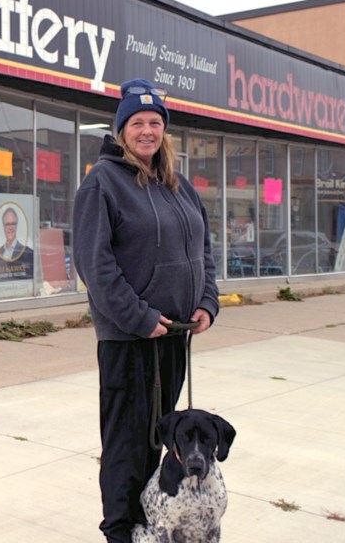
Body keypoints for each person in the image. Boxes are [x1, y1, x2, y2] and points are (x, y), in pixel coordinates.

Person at [72, 78, 219, 543]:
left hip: (174, 338)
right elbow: (95, 265)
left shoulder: (178, 186)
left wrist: (207, 302)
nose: (147, 131)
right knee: (126, 447)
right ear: (122, 130)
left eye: (155, 122)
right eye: (137, 122)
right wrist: (138, 317)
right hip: (129, 340)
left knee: (159, 445)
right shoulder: (102, 183)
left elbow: (204, 251)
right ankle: (119, 533)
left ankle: (147, 528)